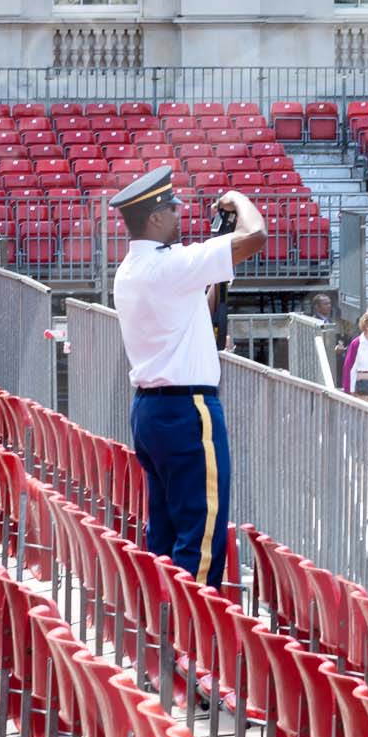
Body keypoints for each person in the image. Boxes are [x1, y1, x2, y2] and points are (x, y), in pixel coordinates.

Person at [110, 169, 266, 591]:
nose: (179, 213)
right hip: (188, 410)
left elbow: (190, 308)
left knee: (164, 531)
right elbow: (257, 236)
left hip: (151, 409)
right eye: (172, 207)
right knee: (201, 534)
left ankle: (161, 630)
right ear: (155, 218)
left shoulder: (129, 269)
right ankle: (189, 642)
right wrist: (238, 197)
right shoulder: (171, 264)